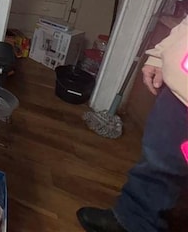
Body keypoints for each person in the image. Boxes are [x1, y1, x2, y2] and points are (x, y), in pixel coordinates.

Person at [76, 16, 188, 232]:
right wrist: (159, 55)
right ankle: (131, 220)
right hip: (176, 94)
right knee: (158, 163)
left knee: (167, 168)